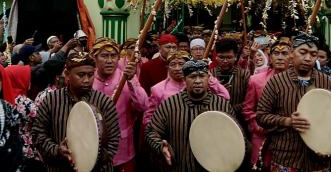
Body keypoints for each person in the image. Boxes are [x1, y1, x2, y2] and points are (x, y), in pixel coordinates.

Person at [256, 33, 331, 171]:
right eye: (303, 52)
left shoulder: (327, 82)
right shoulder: (276, 82)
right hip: (286, 155)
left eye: (313, 54)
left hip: (318, 157)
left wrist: (329, 145)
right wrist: (287, 121)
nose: (308, 58)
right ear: (292, 54)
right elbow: (261, 116)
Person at [32, 52, 120, 172]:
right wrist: (57, 150)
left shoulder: (104, 102)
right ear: (67, 75)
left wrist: (90, 160)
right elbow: (38, 135)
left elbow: (114, 140)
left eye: (90, 75)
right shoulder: (51, 100)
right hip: (59, 168)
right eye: (81, 75)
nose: (86, 80)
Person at [145, 60, 235, 171]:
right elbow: (151, 131)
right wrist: (160, 146)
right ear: (184, 79)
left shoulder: (222, 105)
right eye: (192, 77)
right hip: (180, 166)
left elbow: (235, 136)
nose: (197, 81)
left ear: (208, 78)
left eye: (202, 76)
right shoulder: (170, 105)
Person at [91, 37, 148, 171]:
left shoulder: (127, 78)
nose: (110, 60)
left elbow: (143, 105)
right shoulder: (88, 79)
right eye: (104, 56)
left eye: (113, 56)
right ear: (94, 58)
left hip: (123, 150)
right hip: (93, 148)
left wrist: (131, 81)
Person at [142, 50, 229, 126]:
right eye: (173, 64)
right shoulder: (158, 89)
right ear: (168, 67)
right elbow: (148, 118)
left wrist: (209, 77)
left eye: (181, 64)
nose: (177, 68)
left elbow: (225, 97)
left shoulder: (197, 84)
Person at [242, 39, 292, 166]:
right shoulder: (256, 80)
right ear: (269, 57)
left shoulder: (298, 81)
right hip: (262, 136)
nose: (280, 57)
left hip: (290, 137)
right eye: (276, 53)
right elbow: (247, 110)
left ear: (292, 57)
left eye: (285, 53)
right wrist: (259, 125)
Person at [210, 38, 250, 124]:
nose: (225, 61)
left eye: (229, 57)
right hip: (215, 119)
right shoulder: (210, 75)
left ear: (235, 57)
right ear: (216, 57)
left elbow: (249, 101)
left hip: (239, 120)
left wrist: (230, 108)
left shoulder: (244, 75)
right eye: (221, 57)